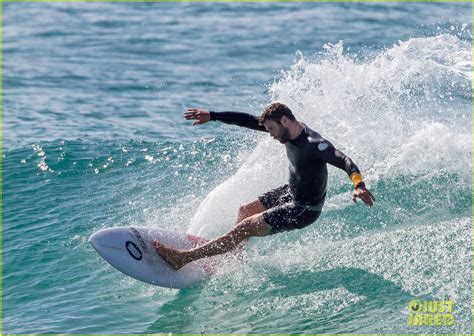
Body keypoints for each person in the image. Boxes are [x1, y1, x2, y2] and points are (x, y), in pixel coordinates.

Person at [154, 102, 375, 270]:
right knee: (244, 211)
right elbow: (247, 120)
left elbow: (345, 161)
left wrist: (359, 185)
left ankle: (181, 258)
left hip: (304, 210)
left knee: (243, 228)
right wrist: (213, 116)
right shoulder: (287, 129)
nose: (269, 134)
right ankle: (234, 259)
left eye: (271, 129)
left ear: (285, 121)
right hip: (292, 191)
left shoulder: (314, 145)